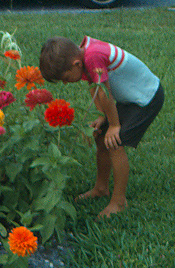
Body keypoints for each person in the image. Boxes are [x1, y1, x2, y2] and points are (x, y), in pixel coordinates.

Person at [39, 36, 164, 218]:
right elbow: (94, 87)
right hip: (129, 99)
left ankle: (119, 202)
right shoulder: (84, 54)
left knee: (115, 142)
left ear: (75, 64)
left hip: (146, 98)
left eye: (65, 78)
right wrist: (102, 116)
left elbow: (104, 92)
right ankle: (101, 188)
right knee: (100, 136)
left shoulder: (93, 57)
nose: (66, 83)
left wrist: (114, 125)